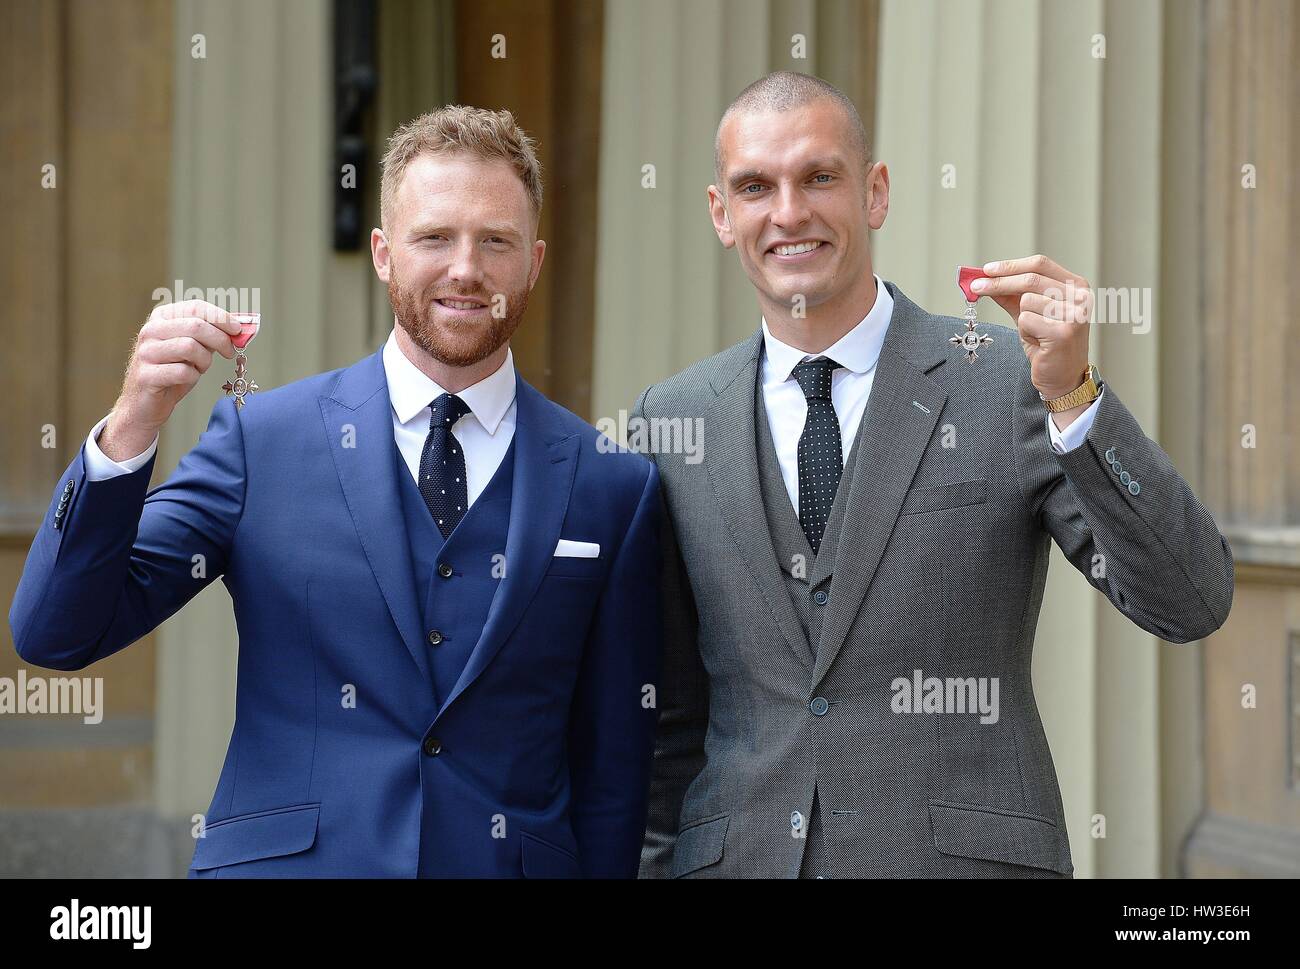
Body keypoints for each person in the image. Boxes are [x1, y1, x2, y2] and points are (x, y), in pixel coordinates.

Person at [10, 105, 661, 879]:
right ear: (384, 253)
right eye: (434, 237)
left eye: (495, 240)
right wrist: (129, 429)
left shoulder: (614, 484)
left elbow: (615, 772)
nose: (465, 267)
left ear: (534, 262)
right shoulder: (263, 442)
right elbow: (54, 632)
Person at [635, 72, 1233, 878]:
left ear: (875, 192)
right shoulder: (673, 420)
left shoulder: (1005, 379)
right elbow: (668, 718)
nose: (788, 212)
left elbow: (1189, 598)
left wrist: (1074, 396)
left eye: (819, 177)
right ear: (721, 213)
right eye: (755, 187)